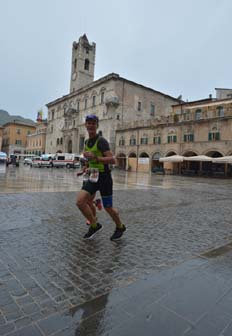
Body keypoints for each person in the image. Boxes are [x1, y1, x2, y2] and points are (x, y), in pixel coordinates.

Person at [76, 114, 126, 241]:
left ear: (97, 125)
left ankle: (120, 226)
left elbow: (113, 160)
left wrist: (96, 158)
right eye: (89, 123)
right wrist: (85, 168)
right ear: (85, 125)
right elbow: (88, 158)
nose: (91, 125)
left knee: (108, 207)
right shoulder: (87, 142)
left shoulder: (101, 141)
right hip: (92, 174)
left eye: (93, 123)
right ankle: (94, 225)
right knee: (80, 201)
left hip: (104, 176)